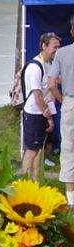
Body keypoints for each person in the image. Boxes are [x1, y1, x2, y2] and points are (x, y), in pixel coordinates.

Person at [21, 32, 60, 179]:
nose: (57, 50)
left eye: (58, 47)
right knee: (32, 150)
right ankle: (24, 182)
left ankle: (35, 182)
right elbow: (37, 96)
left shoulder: (49, 64)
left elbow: (49, 90)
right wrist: (48, 115)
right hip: (33, 113)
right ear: (44, 46)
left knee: (39, 150)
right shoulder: (35, 67)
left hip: (42, 112)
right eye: (54, 47)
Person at [50, 17, 74, 206]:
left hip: (70, 103)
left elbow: (51, 85)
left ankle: (71, 200)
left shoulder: (62, 53)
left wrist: (62, 99)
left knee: (68, 148)